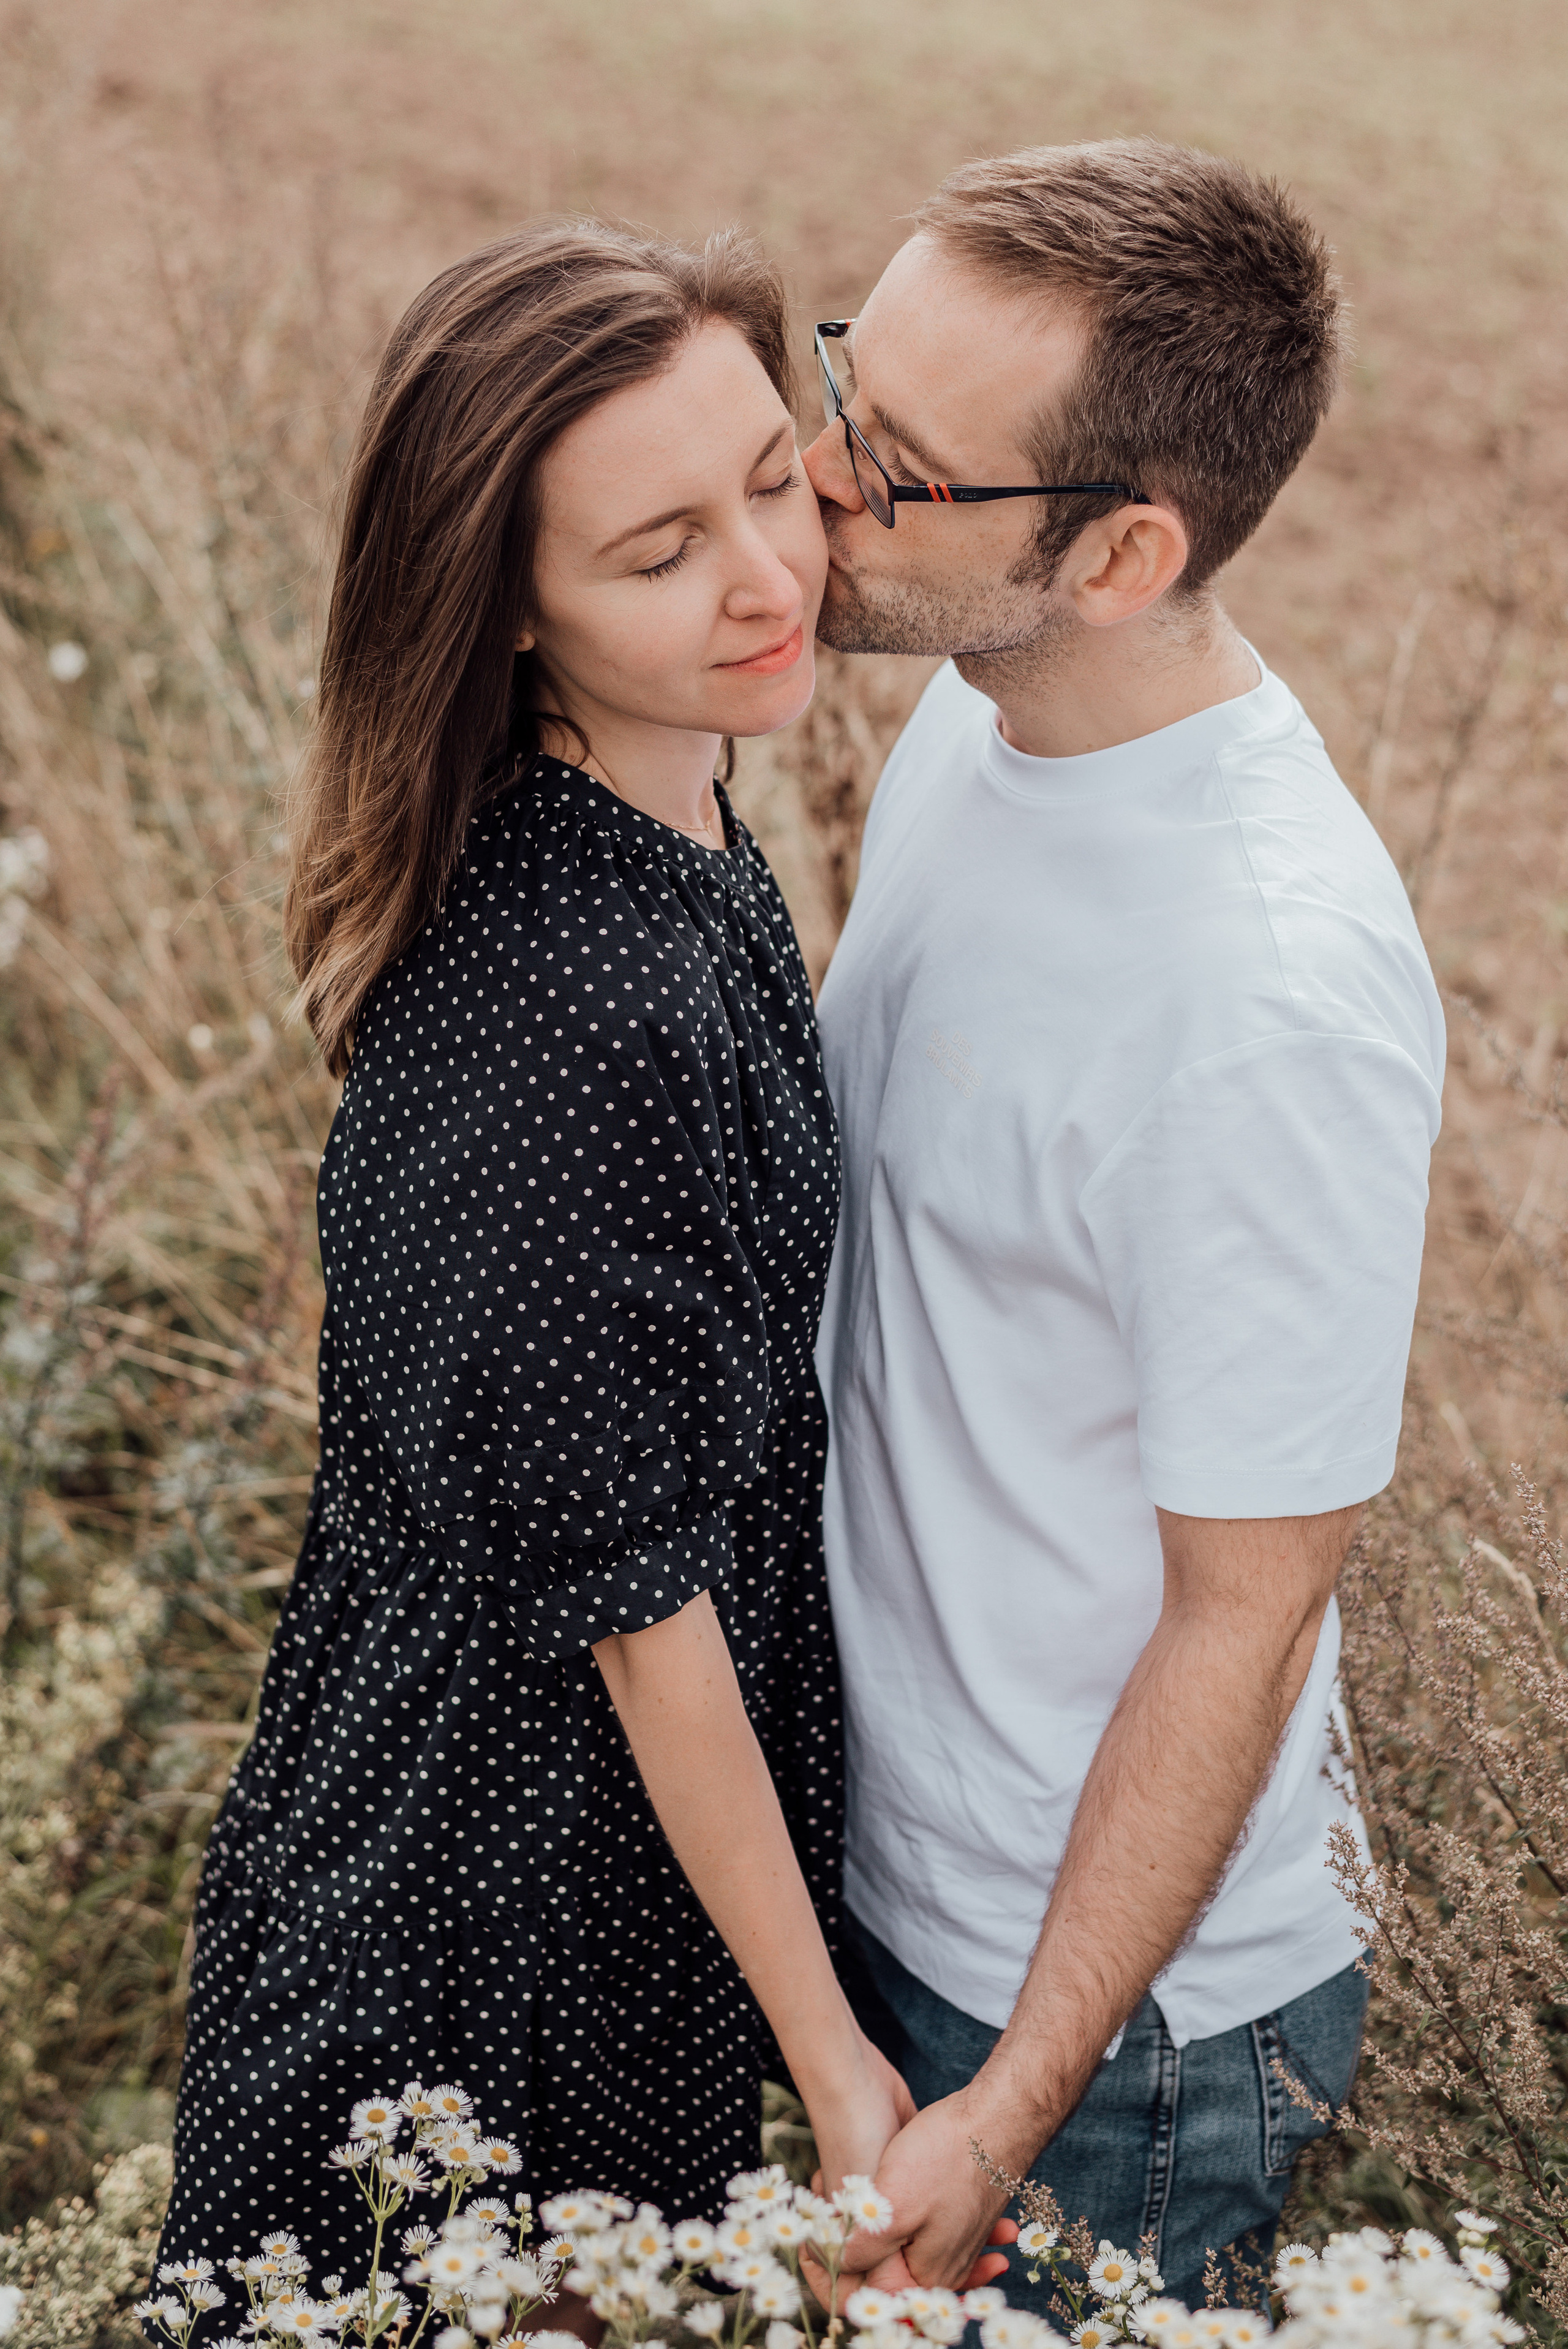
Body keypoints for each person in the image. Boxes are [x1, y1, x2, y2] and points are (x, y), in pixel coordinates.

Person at [153, 220, 918, 2311]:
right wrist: (836, 2067)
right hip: (486, 1915)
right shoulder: (571, 1000)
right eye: (659, 552)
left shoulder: (669, 828)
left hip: (599, 1872)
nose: (768, 575)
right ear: (507, 609)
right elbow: (638, 1602)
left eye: (774, 477)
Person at [804, 140, 1444, 2313]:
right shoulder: (980, 728)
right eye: (842, 387)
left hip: (1099, 2034)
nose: (814, 480)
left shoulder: (1264, 998)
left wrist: (1011, 2099)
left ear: (1118, 552)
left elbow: (1241, 1618)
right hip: (874, 1888)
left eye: (894, 465)